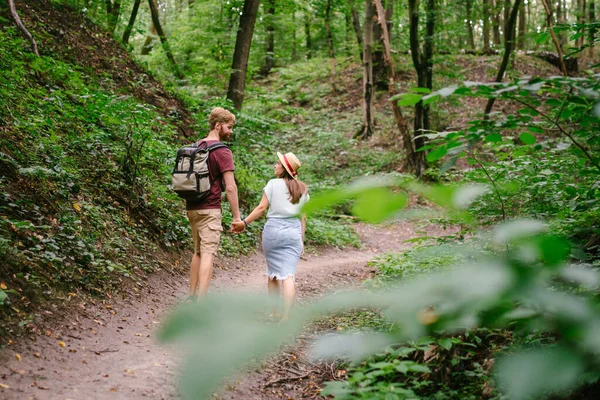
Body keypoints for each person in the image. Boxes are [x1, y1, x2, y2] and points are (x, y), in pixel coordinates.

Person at [232, 152, 309, 321]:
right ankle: (286, 316)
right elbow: (303, 217)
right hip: (293, 232)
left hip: (273, 231)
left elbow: (261, 208)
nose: (275, 165)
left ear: (284, 169)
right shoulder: (302, 188)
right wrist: (301, 240)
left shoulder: (273, 184)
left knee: (273, 273)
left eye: (278, 164)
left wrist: (244, 223)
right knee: (288, 275)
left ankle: (275, 313)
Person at [186, 107, 242, 300]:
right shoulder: (222, 151)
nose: (230, 131)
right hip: (210, 209)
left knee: (198, 252)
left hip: (192, 207)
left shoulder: (196, 146)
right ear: (218, 126)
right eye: (228, 127)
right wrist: (236, 217)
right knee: (208, 253)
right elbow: (231, 187)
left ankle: (192, 296)